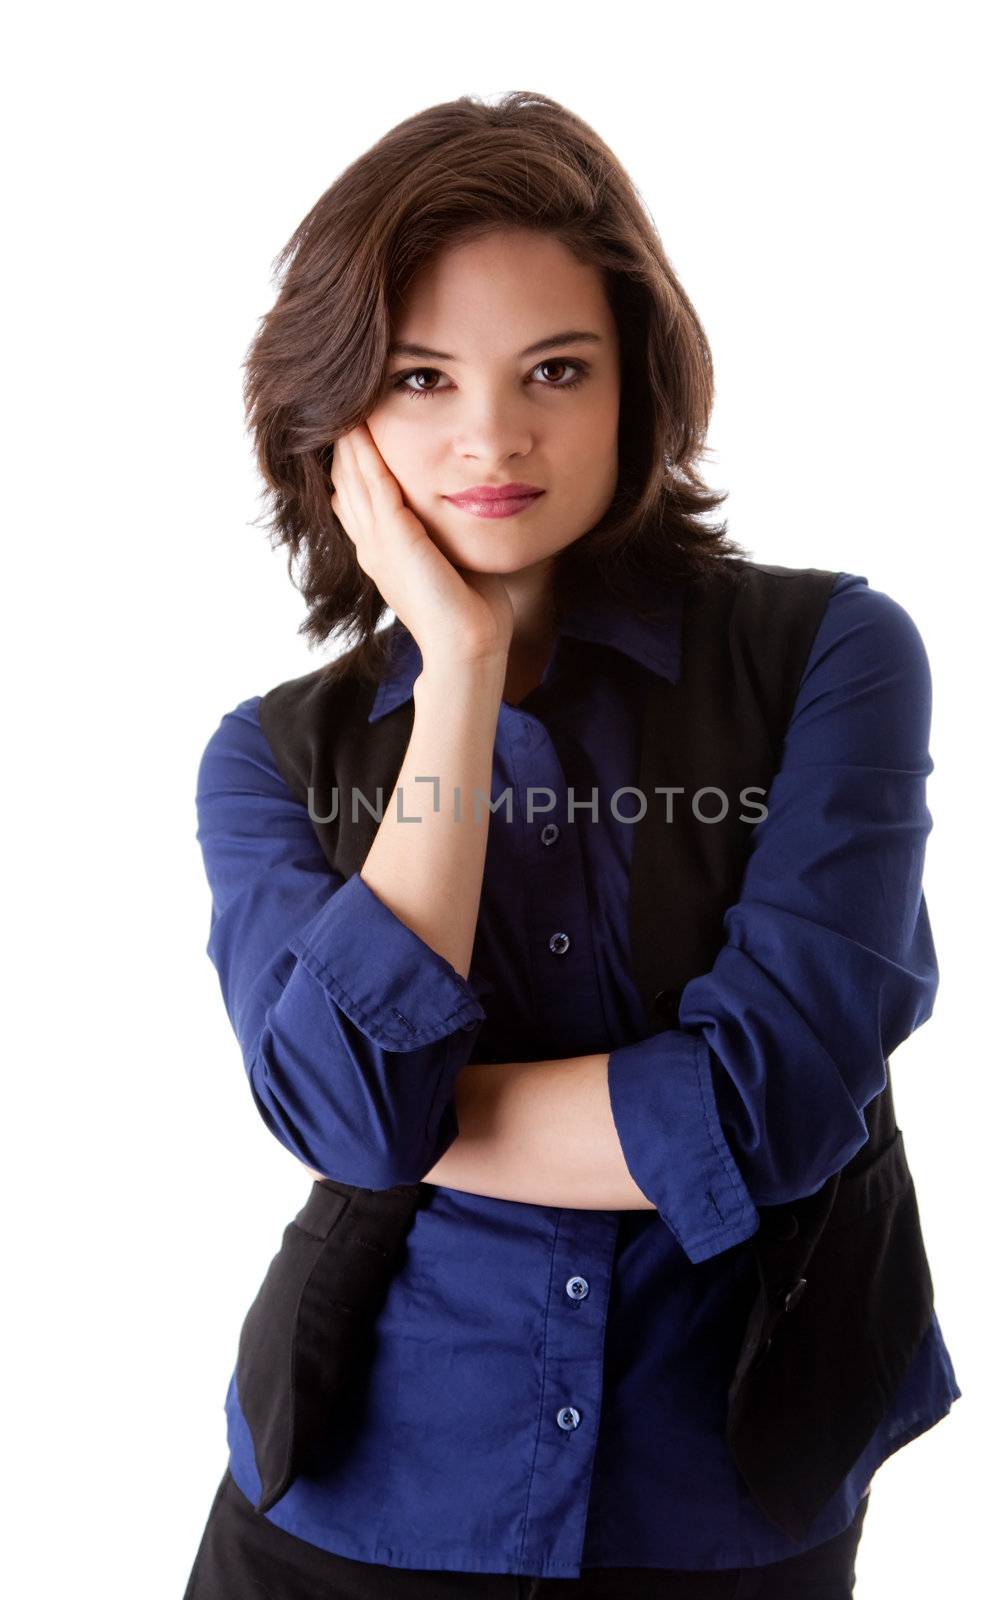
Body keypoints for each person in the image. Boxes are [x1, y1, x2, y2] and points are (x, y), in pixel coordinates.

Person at [182, 90, 961, 1598]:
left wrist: (426, 1117)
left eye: (556, 368)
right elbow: (351, 1119)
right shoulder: (271, 755)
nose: (492, 436)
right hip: (358, 1497)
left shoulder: (832, 657)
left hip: (728, 1488)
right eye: (419, 378)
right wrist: (460, 675)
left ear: (637, 390)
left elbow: (772, 1103)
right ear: (336, 422)